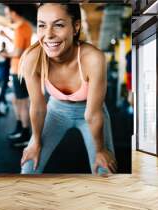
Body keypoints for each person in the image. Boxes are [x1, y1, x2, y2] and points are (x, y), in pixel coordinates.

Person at [18, 3, 116, 176]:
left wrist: (101, 150)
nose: (48, 35)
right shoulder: (32, 58)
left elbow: (92, 115)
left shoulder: (93, 58)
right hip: (56, 111)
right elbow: (38, 107)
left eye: (59, 25)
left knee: (104, 170)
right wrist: (35, 143)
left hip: (90, 112)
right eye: (42, 25)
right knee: (28, 168)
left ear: (75, 27)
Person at [0, 4, 33, 147]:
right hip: (21, 69)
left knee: (23, 102)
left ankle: (25, 134)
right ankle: (20, 129)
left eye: (7, 13)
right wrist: (6, 36)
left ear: (13, 12)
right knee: (17, 100)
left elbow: (18, 52)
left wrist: (4, 54)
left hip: (19, 70)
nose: (6, 15)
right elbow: (20, 46)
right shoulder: (25, 26)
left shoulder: (20, 29)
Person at [0, 42, 11, 116]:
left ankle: (3, 104)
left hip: (2, 75)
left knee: (2, 91)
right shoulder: (4, 54)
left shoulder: (2, 55)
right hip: (2, 75)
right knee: (2, 92)